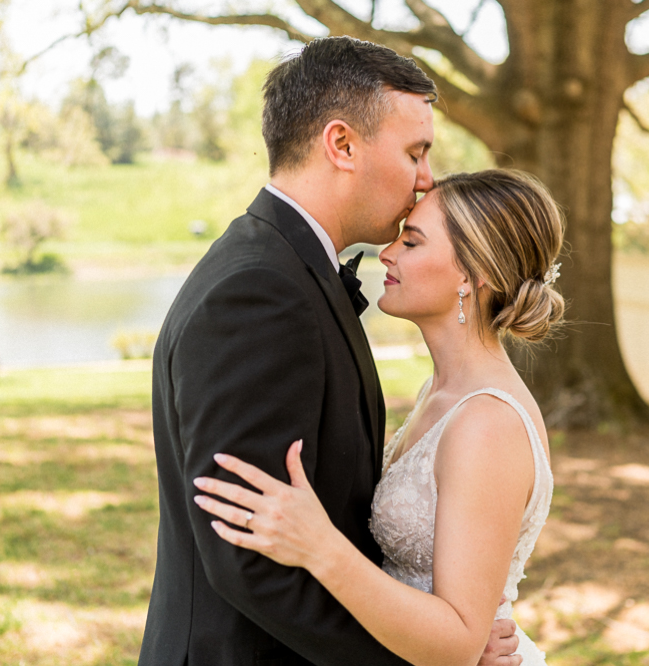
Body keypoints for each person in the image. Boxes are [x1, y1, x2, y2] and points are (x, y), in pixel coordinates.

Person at [138, 37, 523, 666]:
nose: (427, 178)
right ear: (341, 145)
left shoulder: (290, 270)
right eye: (415, 152)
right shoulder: (258, 293)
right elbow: (248, 560)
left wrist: (443, 631)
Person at [192, 169, 565, 666]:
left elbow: (458, 641)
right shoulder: (440, 392)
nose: (387, 253)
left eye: (411, 242)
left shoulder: (487, 424)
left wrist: (320, 546)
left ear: (473, 276)